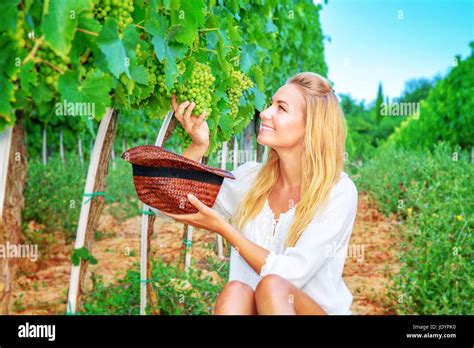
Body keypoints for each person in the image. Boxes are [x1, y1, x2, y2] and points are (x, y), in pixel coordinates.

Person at [163, 72, 358, 315]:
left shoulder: (338, 192)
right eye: (270, 104)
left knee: (275, 286)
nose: (265, 113)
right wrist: (198, 145)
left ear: (312, 127)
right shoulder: (251, 179)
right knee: (235, 291)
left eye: (281, 108)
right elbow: (176, 202)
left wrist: (225, 229)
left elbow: (291, 275)